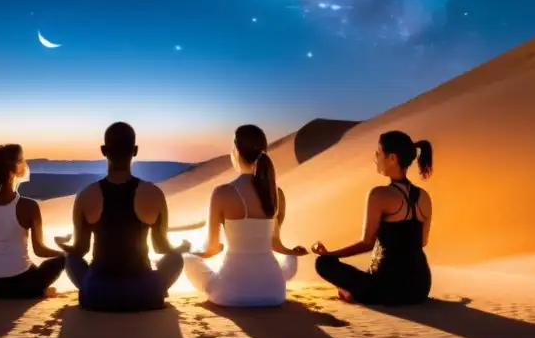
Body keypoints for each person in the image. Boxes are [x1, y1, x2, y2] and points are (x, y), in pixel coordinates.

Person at [55, 122, 190, 312]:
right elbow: (161, 247)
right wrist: (181, 248)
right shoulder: (154, 194)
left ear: (103, 150)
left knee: (70, 258)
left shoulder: (86, 195)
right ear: (135, 151)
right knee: (176, 258)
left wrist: (62, 245)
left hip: (98, 295)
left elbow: (80, 249)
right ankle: (154, 289)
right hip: (144, 295)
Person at [184, 125, 308, 306]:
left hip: (230, 294)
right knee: (286, 261)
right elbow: (275, 244)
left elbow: (211, 249)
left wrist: (191, 253)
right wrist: (292, 252)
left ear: (236, 150)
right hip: (274, 293)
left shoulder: (222, 193)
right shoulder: (275, 194)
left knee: (187, 259)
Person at [312, 131, 433, 305]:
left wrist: (330, 254)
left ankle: (351, 293)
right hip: (420, 287)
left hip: (387, 288)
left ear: (392, 158)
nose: (375, 158)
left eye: (378, 153)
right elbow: (422, 242)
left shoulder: (379, 195)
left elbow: (366, 243)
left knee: (323, 263)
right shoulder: (425, 197)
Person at [0, 143, 66, 299]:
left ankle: (37, 290)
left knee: (29, 268)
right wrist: (64, 254)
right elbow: (39, 250)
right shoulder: (30, 206)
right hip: (19, 283)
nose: (25, 163)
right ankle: (39, 292)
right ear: (15, 169)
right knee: (61, 260)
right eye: (22, 160)